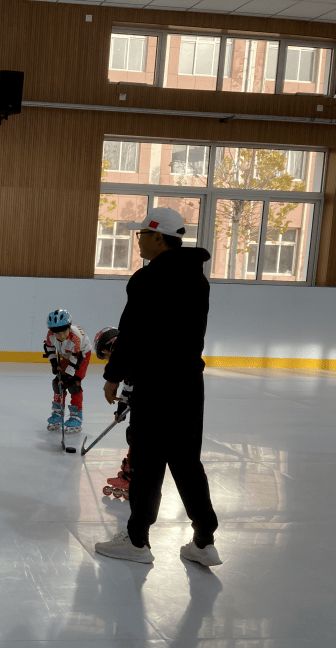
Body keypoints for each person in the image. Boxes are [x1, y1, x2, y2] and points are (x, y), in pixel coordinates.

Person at [94, 207, 221, 566]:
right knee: (186, 462)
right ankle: (204, 540)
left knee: (148, 464)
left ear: (158, 237)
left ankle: (136, 542)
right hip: (188, 384)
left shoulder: (147, 279)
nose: (139, 241)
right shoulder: (197, 279)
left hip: (156, 385)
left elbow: (131, 334)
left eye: (142, 235)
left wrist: (112, 376)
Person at [93, 326, 133, 499]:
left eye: (107, 357)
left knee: (137, 435)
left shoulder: (131, 361)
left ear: (110, 348)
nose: (109, 361)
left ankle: (131, 475)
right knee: (135, 434)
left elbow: (131, 386)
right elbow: (127, 388)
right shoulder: (128, 362)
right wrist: (121, 409)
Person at [44, 309, 91, 433]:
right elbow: (49, 348)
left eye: (64, 331)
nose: (60, 336)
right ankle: (58, 412)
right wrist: (54, 364)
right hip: (65, 354)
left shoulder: (75, 338)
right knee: (57, 383)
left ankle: (76, 415)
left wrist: (68, 377)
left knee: (73, 384)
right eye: (56, 333)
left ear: (69, 328)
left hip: (82, 354)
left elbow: (75, 359)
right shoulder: (50, 335)